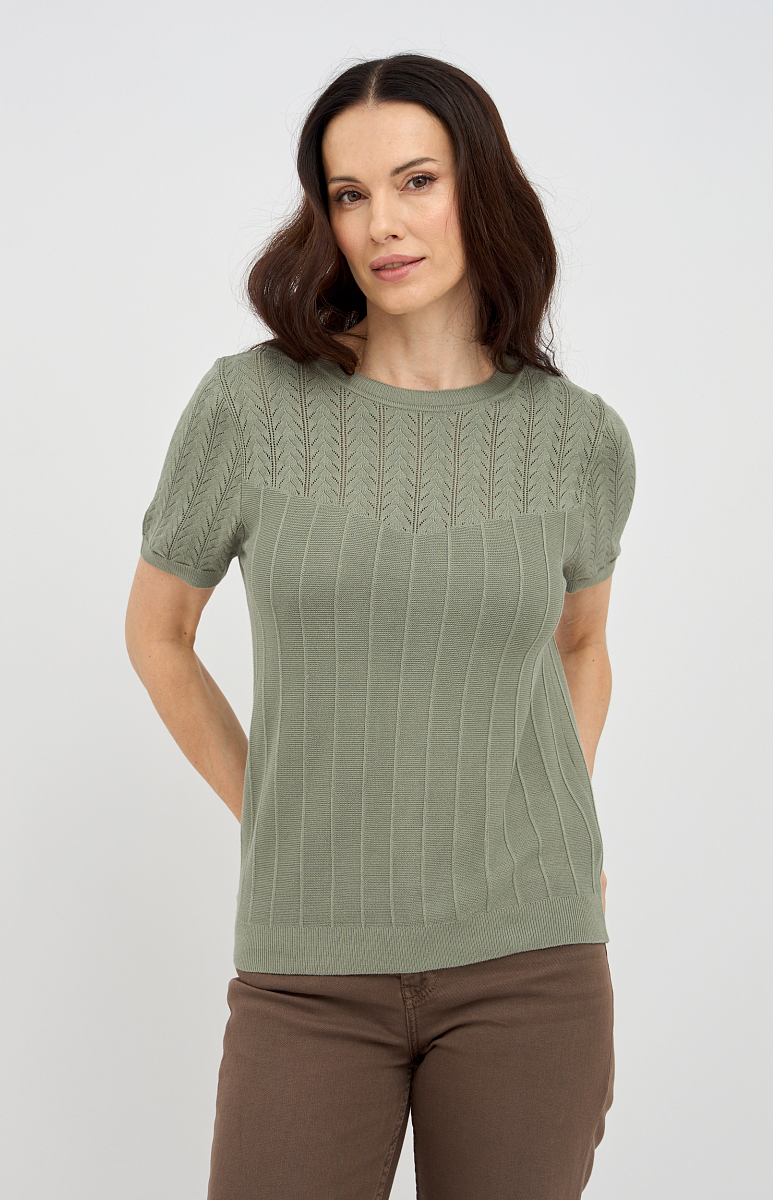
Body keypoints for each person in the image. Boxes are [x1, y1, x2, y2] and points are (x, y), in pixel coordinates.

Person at [125, 52, 636, 1200]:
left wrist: (570, 828)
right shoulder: (251, 407)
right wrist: (274, 807)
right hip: (309, 961)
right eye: (349, 194)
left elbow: (581, 644)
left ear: (480, 189)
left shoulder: (579, 439)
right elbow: (158, 632)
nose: (381, 224)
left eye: (416, 181)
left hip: (532, 959)